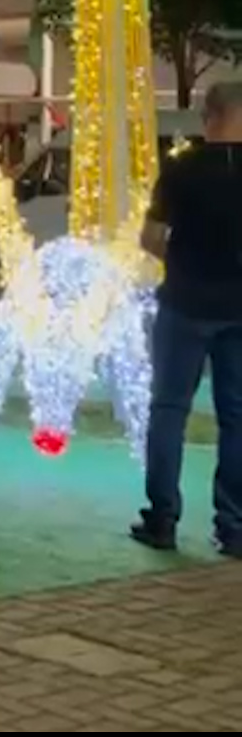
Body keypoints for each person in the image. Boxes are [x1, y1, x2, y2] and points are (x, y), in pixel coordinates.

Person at [134, 80, 242, 554]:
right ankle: (233, 526)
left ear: (208, 117)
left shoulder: (181, 169)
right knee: (237, 416)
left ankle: (162, 519)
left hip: (184, 303)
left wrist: (178, 263)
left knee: (169, 410)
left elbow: (150, 236)